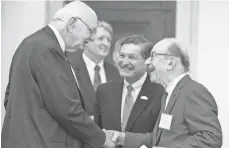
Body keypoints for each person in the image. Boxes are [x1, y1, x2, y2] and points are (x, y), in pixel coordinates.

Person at [2, 1, 115, 148]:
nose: (92, 38)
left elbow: (9, 98)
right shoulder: (47, 49)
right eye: (91, 30)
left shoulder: (32, 44)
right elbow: (66, 108)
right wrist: (101, 138)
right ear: (73, 23)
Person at [108, 38, 223, 148]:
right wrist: (123, 138)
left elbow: (211, 138)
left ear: (170, 63)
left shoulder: (193, 92)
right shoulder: (168, 94)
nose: (147, 62)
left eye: (153, 56)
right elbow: (158, 139)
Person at [94, 35, 164, 139]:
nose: (125, 62)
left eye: (132, 57)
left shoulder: (161, 94)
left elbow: (160, 138)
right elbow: (96, 134)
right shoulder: (104, 91)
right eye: (122, 56)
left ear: (147, 61)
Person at [65, 20, 121, 118]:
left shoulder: (116, 73)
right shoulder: (69, 69)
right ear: (86, 41)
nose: (106, 43)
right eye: (101, 38)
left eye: (108, 40)